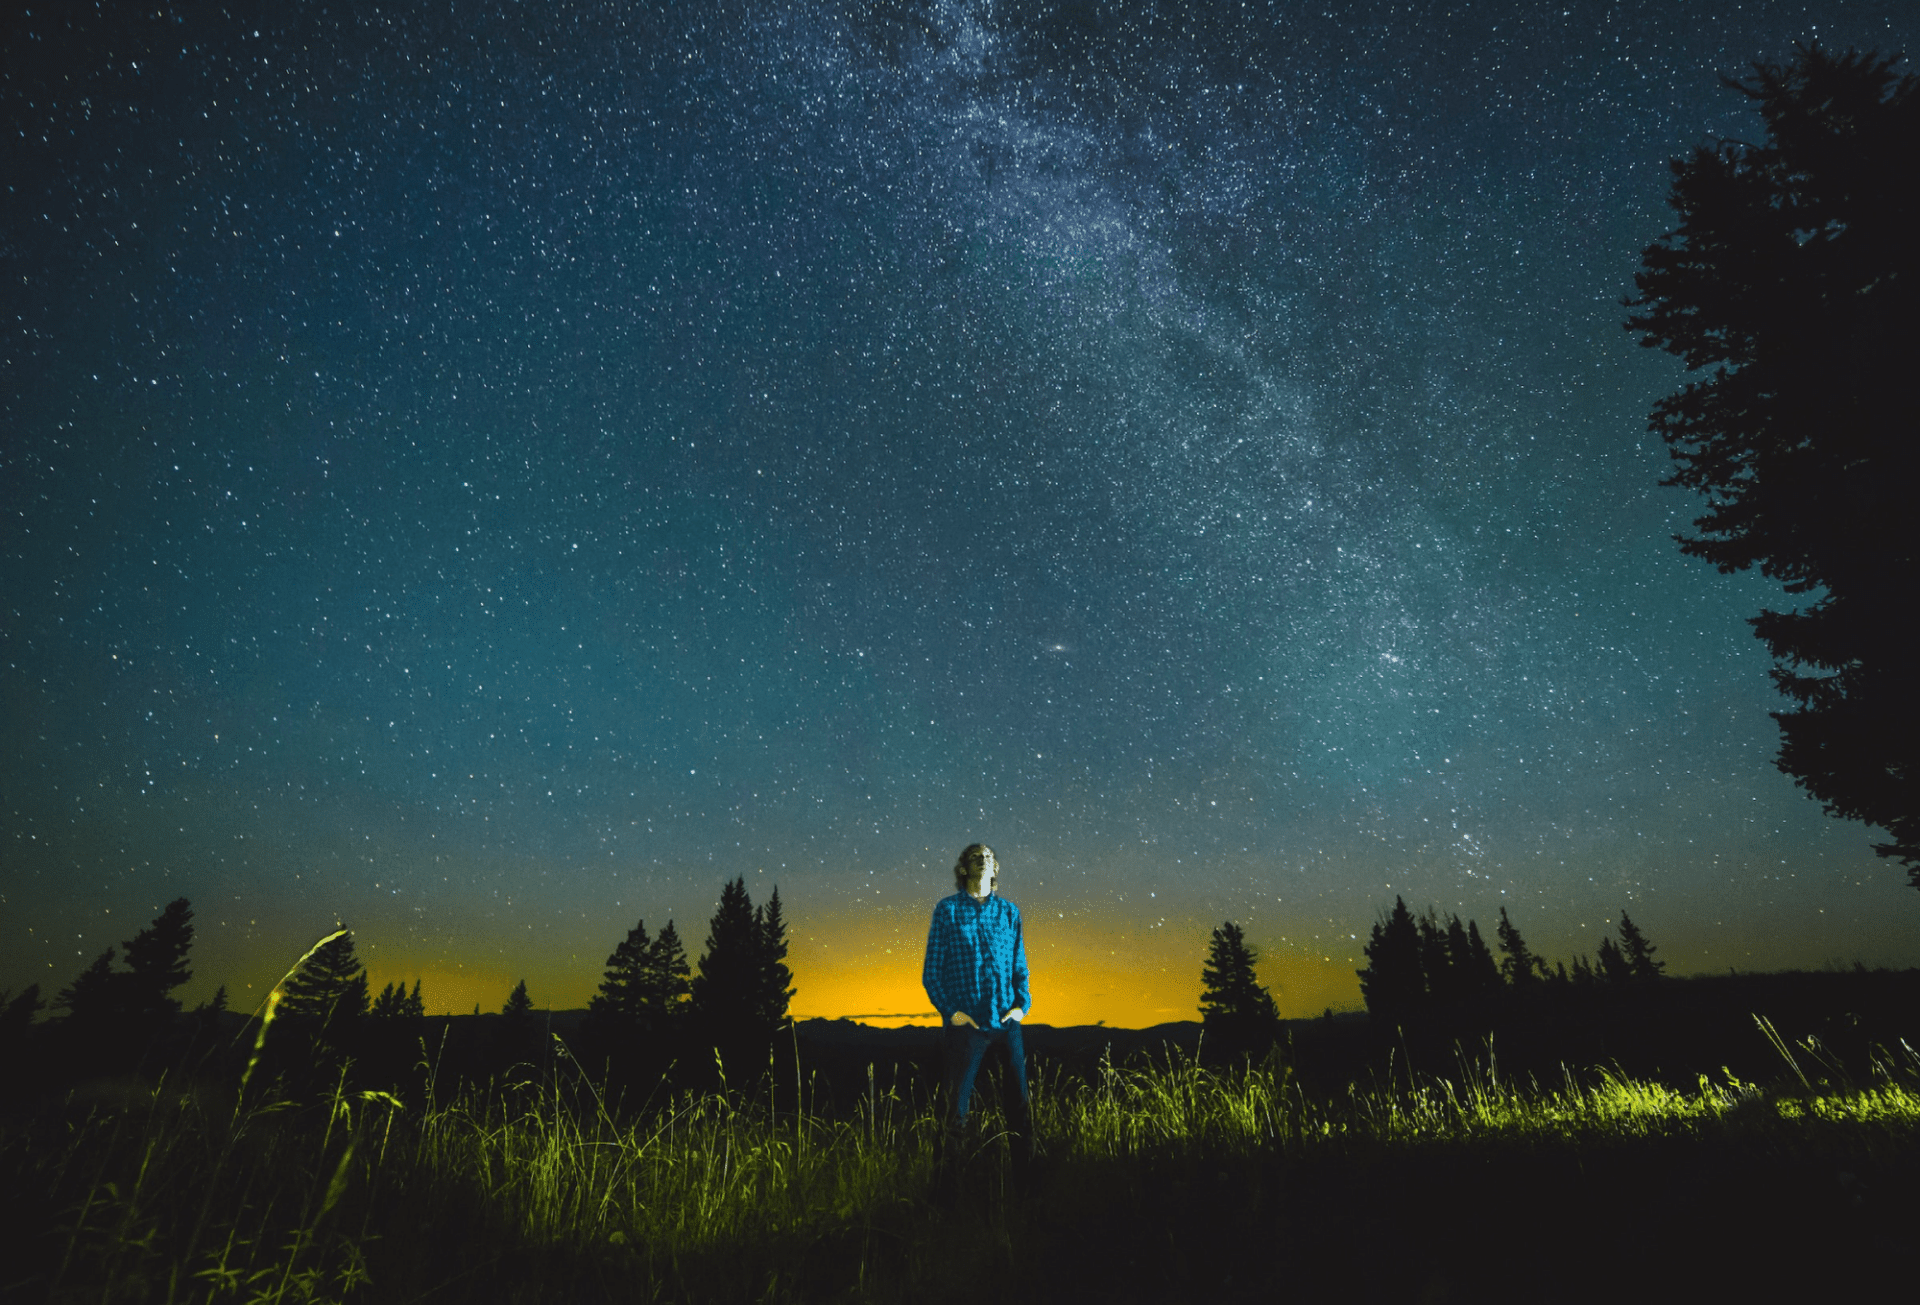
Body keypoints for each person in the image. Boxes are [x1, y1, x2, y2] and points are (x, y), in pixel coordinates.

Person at [922, 843, 1031, 1157]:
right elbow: (932, 972)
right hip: (966, 1024)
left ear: (995, 868)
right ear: (963, 869)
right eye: (975, 856)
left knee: (1019, 1109)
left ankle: (1029, 1190)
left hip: (1006, 1023)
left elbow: (1019, 965)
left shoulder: (1010, 912)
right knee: (955, 1112)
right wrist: (952, 1012)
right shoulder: (948, 910)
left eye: (988, 856)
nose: (983, 859)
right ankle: (946, 1193)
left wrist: (1021, 1006)